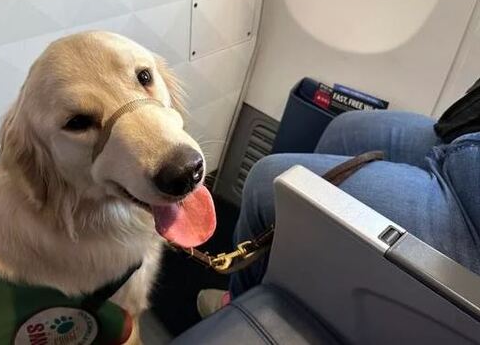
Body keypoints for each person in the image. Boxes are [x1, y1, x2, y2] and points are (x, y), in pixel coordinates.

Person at [197, 109, 480, 317]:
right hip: (467, 134)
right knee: (343, 131)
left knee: (265, 186)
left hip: (471, 211)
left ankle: (238, 307)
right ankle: (296, 283)